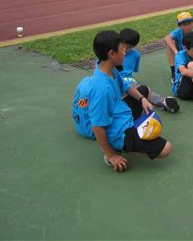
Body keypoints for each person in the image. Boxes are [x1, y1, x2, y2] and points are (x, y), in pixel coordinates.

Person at [72, 30, 172, 172]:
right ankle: (116, 148)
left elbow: (126, 87)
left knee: (143, 90)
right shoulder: (102, 89)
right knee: (166, 149)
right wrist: (110, 155)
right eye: (122, 49)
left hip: (121, 114)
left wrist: (142, 99)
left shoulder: (109, 69)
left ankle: (129, 137)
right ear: (112, 54)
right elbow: (97, 127)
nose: (125, 52)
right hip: (118, 133)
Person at [118, 28, 179, 113]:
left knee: (146, 91)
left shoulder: (136, 55)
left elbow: (131, 71)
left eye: (129, 47)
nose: (125, 50)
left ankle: (163, 102)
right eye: (123, 46)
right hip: (115, 80)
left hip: (129, 81)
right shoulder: (114, 53)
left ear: (133, 46)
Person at [164, 11, 193, 82]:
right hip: (180, 54)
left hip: (189, 57)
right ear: (179, 26)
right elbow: (167, 38)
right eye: (184, 25)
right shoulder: (178, 32)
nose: (188, 26)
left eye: (189, 23)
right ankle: (173, 71)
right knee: (169, 44)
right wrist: (176, 52)